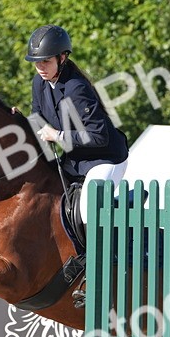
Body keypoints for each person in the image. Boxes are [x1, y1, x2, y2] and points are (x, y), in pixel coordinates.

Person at [25, 25, 129, 222]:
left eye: (46, 61)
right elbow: (37, 118)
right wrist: (18, 119)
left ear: (62, 58)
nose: (40, 68)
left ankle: (95, 252)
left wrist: (57, 136)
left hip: (105, 159)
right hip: (75, 159)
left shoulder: (76, 88)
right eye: (36, 62)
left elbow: (99, 136)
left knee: (86, 211)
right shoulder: (39, 82)